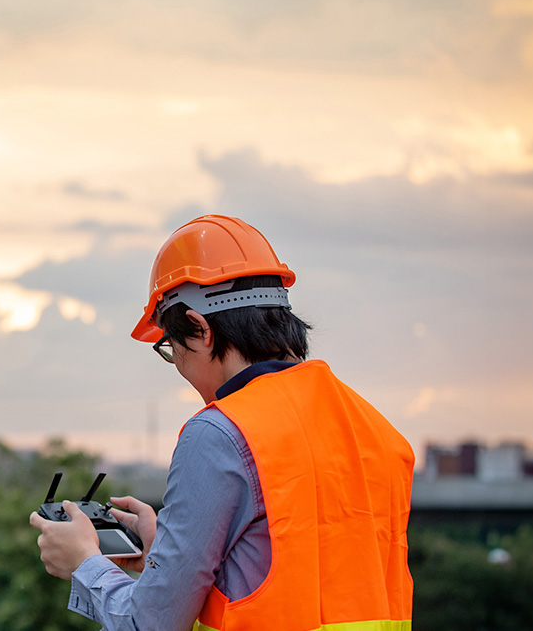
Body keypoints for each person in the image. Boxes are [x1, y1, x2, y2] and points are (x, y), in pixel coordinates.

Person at [30, 214, 414, 631]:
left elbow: (149, 624)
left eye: (169, 348)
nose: (176, 365)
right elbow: (303, 570)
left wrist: (84, 564)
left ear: (199, 328)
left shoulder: (221, 433)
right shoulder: (379, 433)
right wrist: (169, 555)